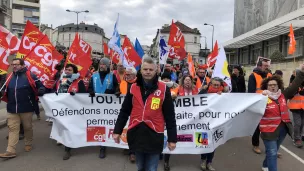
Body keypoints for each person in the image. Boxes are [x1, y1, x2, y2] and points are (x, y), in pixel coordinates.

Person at [113, 57, 177, 171]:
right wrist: (117, 131)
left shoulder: (163, 89)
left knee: (151, 168)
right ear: (141, 70)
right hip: (137, 133)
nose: (148, 72)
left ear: (156, 71)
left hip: (155, 134)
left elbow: (170, 116)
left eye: (151, 70)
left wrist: (172, 139)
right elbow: (124, 111)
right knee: (140, 167)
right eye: (145, 69)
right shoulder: (133, 87)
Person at [260, 65, 304, 171]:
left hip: (283, 129)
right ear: (266, 87)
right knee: (272, 152)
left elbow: (294, 86)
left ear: (278, 85)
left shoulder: (283, 95)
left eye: (274, 85)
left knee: (273, 151)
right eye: (270, 85)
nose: (272, 87)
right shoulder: (261, 98)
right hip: (268, 131)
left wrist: (301, 72)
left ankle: (265, 165)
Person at [0, 58, 45, 158]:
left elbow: (40, 86)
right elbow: (4, 89)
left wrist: (41, 90)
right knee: (12, 129)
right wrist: (1, 92)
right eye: (13, 64)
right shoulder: (9, 76)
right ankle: (10, 150)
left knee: (27, 127)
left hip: (26, 107)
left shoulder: (30, 75)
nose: (14, 66)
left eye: (16, 64)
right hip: (12, 108)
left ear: (23, 65)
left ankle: (28, 143)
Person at [88, 57, 119, 159]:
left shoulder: (112, 76)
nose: (102, 66)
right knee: (98, 124)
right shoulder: (94, 75)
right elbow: (90, 87)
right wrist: (91, 91)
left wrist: (112, 91)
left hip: (108, 106)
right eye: (101, 64)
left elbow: (116, 88)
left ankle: (105, 145)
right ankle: (99, 144)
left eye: (104, 64)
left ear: (107, 66)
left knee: (106, 124)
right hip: (96, 105)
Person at [55, 64, 87, 160]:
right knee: (66, 129)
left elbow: (84, 95)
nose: (67, 71)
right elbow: (58, 91)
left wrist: (75, 95)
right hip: (64, 109)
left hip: (75, 109)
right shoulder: (62, 80)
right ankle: (67, 150)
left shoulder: (79, 81)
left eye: (70, 70)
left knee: (73, 128)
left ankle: (75, 143)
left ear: (75, 72)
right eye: (66, 70)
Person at [198, 77, 229, 171]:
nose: (215, 86)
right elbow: (196, 101)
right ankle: (203, 160)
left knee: (213, 143)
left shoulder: (222, 94)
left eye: (217, 85)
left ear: (220, 86)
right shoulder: (204, 92)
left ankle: (209, 162)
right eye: (214, 84)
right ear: (210, 84)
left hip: (216, 122)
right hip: (203, 122)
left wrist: (222, 96)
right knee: (203, 142)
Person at [248, 59, 272, 154]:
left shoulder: (270, 75)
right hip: (258, 104)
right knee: (257, 126)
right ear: (259, 66)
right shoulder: (253, 76)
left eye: (268, 65)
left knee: (269, 126)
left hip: (269, 103)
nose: (267, 67)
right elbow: (251, 92)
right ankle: (255, 145)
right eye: (265, 66)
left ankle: (271, 148)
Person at [119, 66, 137, 163]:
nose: (127, 76)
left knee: (133, 131)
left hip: (136, 111)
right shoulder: (123, 82)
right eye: (126, 74)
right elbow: (119, 91)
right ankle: (127, 147)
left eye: (129, 75)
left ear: (134, 75)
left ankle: (132, 153)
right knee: (125, 130)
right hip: (125, 110)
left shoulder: (139, 83)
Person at [287, 74, 304, 148]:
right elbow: (289, 94)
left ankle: (299, 136)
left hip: (303, 107)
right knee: (298, 123)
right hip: (295, 107)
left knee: (302, 123)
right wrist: (296, 90)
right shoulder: (293, 82)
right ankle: (297, 139)